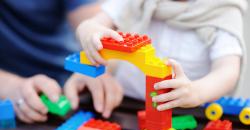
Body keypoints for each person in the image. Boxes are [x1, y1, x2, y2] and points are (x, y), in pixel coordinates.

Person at [76, 0, 247, 111]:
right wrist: (89, 31)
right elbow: (92, 24)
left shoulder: (223, 9)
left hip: (187, 110)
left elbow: (228, 70)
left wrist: (196, 92)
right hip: (126, 103)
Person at [0, 0, 123, 123]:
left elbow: (98, 29)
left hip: (69, 79)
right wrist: (10, 86)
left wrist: (98, 66)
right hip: (10, 101)